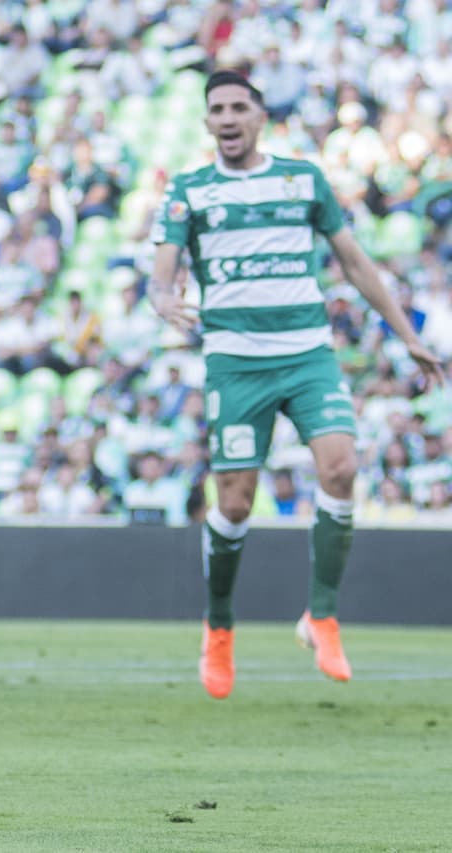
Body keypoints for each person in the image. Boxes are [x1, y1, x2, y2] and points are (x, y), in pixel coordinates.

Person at [148, 71, 444, 700]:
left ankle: (322, 616)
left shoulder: (302, 178)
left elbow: (356, 261)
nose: (226, 118)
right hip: (235, 360)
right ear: (207, 123)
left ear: (260, 117)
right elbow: (163, 270)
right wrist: (160, 298)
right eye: (216, 110)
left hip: (307, 353)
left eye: (238, 108)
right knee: (232, 503)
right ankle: (220, 628)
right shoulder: (190, 191)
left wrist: (406, 335)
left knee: (340, 470)